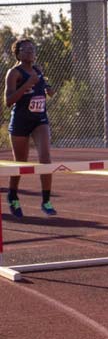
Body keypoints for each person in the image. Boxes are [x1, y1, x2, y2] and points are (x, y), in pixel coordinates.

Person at [5, 39, 56, 216]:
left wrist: (48, 89)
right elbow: (8, 101)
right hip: (20, 121)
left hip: (39, 120)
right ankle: (12, 194)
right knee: (21, 162)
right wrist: (27, 84)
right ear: (18, 54)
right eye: (25, 50)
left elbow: (43, 87)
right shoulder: (14, 73)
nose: (30, 52)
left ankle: (46, 200)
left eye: (32, 49)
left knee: (45, 157)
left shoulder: (38, 70)